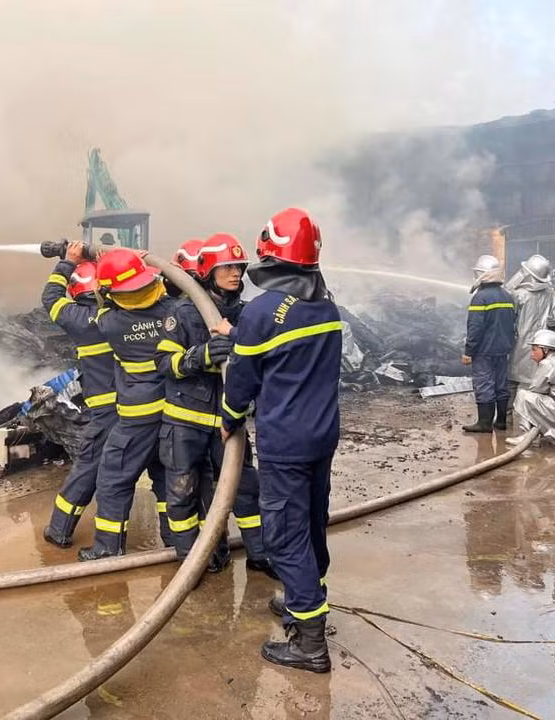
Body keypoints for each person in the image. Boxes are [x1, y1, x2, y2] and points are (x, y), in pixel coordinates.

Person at [220, 207, 342, 673]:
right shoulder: (325, 305)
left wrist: (229, 419)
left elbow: (244, 380)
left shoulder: (262, 311)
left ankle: (309, 642)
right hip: (321, 436)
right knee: (312, 522)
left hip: (285, 443)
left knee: (285, 536)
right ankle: (303, 598)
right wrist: (238, 332)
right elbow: (286, 347)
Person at [157, 233, 274, 576]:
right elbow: (165, 364)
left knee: (245, 489)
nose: (236, 274)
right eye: (227, 268)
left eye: (239, 267)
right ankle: (191, 561)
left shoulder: (247, 314)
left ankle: (260, 553)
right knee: (183, 491)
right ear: (208, 270)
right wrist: (200, 356)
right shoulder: (182, 313)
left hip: (229, 420)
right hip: (185, 422)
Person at [78, 248, 178, 560]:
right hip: (173, 412)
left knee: (113, 479)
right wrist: (149, 263)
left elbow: (100, 302)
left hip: (136, 418)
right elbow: (167, 289)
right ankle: (177, 540)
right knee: (166, 480)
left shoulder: (110, 323)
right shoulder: (173, 312)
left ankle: (108, 548)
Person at [40, 243, 118, 547]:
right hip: (142, 405)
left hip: (105, 411)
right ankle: (177, 537)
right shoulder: (123, 314)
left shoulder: (77, 320)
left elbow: (50, 298)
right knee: (162, 472)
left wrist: (67, 262)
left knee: (88, 468)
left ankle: (59, 530)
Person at [462, 255, 515, 433]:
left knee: (484, 383)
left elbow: (475, 328)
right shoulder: (507, 296)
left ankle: (484, 423)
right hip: (503, 349)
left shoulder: (480, 297)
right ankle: (500, 421)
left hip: (484, 350)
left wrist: (469, 351)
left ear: (482, 274)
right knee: (501, 384)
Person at [506, 329, 555, 447]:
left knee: (523, 396)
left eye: (534, 349)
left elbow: (536, 389)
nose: (532, 354)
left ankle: (527, 437)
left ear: (545, 350)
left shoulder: (547, 364)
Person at [506, 254, 553, 409]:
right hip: (542, 343)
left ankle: (505, 416)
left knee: (512, 380)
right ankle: (533, 418)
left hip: (520, 342)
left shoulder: (520, 294)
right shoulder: (550, 293)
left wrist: (518, 276)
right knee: (537, 381)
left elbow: (506, 293)